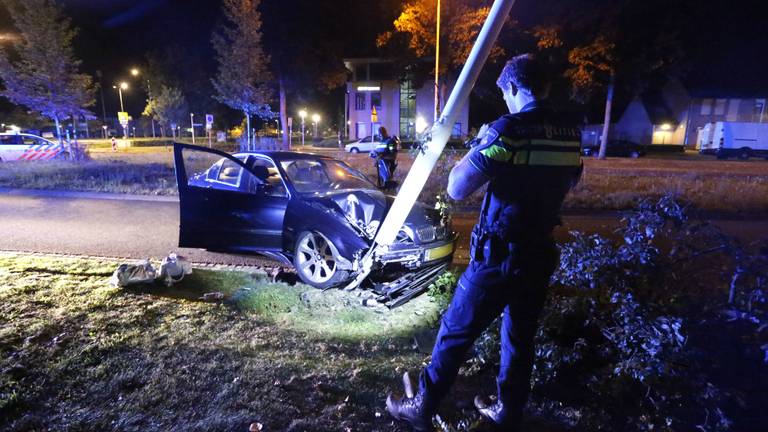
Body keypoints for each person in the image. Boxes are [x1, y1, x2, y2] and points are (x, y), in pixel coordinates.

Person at [386, 54, 583, 431]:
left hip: (499, 256)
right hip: (539, 252)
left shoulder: (509, 130)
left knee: (455, 331)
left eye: (505, 94)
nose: (505, 102)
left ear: (514, 87)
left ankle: (421, 406)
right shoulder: (569, 133)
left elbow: (457, 188)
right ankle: (508, 410)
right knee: (519, 336)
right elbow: (570, 180)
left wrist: (480, 146)